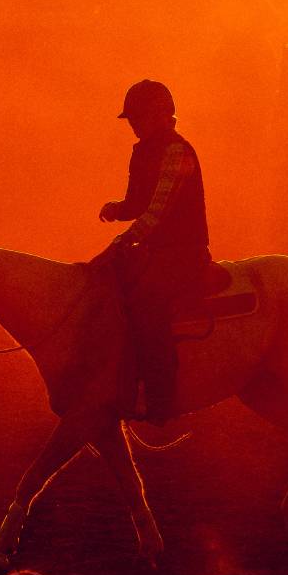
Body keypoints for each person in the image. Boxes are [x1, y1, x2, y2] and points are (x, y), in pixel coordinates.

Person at [94, 80, 210, 425]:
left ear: (161, 114)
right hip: (155, 249)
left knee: (147, 303)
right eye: (131, 119)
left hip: (183, 252)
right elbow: (139, 203)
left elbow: (158, 211)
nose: (133, 124)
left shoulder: (177, 151)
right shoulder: (143, 150)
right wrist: (118, 208)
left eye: (138, 117)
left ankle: (161, 395)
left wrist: (119, 243)